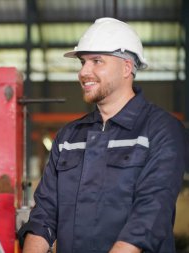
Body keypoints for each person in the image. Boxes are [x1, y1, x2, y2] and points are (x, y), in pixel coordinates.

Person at [18, 17, 189, 253]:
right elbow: (44, 214)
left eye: (97, 61)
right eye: (82, 62)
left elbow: (150, 215)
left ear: (127, 67)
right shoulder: (69, 137)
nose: (84, 72)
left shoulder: (161, 130)